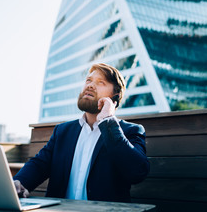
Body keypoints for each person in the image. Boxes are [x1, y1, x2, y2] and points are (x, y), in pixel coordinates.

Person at [13, 63, 149, 202]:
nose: (90, 85)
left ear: (115, 96)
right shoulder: (63, 131)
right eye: (88, 80)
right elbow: (40, 164)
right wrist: (19, 183)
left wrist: (108, 121)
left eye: (100, 82)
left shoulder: (131, 131)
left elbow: (137, 173)